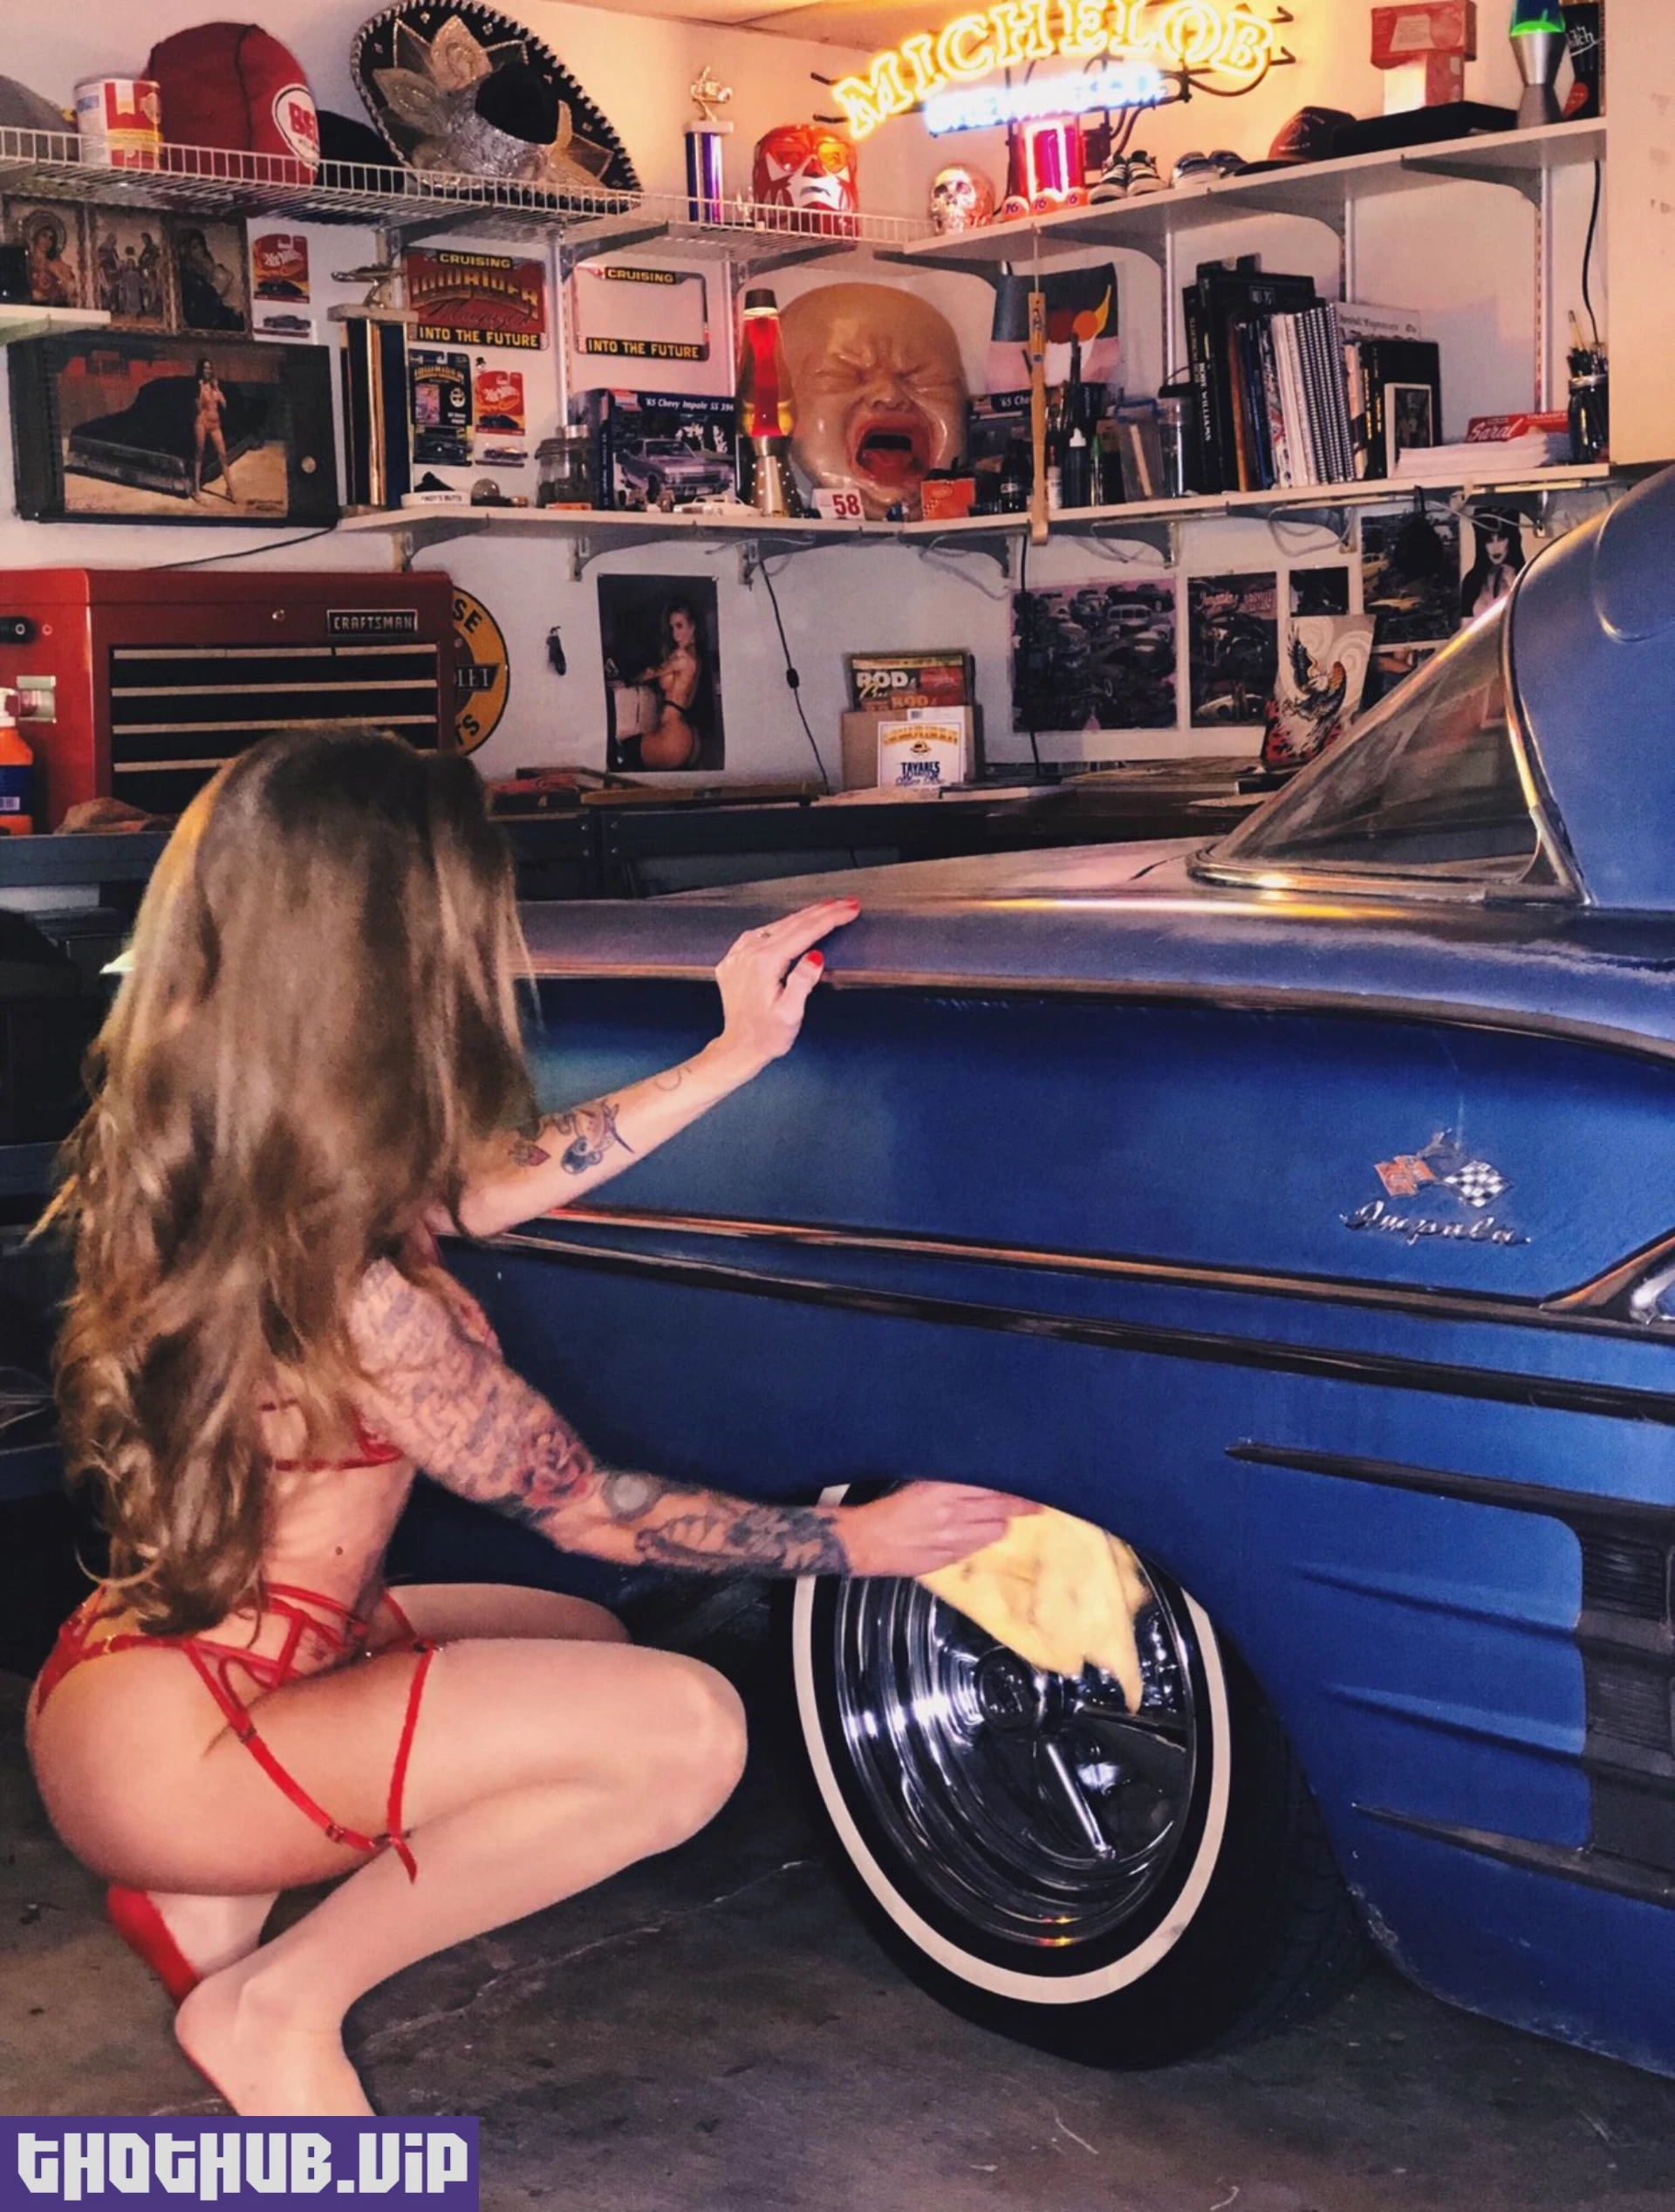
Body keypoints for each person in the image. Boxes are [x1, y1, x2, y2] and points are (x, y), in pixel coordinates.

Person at [24, 727, 1026, 2119]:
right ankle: (277, 2002)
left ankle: (208, 1901)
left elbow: (482, 1184)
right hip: (191, 1742)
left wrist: (733, 1051)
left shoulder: (228, 1156)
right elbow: (590, 1509)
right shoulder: (356, 1298)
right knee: (682, 1731)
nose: (491, 945)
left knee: (580, 1647)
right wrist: (855, 1541)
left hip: (153, 1665)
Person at [629, 595, 711, 770]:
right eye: (672, 627)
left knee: (622, 754)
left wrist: (627, 680)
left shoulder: (682, 656)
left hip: (673, 735)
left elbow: (651, 672)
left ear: (693, 626)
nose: (675, 634)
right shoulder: (697, 658)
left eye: (680, 626)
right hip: (686, 735)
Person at [1460, 509, 1525, 622]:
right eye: (1489, 540)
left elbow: (1528, 617)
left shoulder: (1523, 576)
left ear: (1511, 540)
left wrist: (1514, 584)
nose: (1495, 547)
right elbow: (1466, 624)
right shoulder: (1472, 580)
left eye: (1501, 539)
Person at [193, 358, 240, 507]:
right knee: (199, 454)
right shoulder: (198, 385)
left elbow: (224, 404)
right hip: (202, 422)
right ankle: (196, 490)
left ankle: (230, 488)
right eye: (205, 368)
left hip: (215, 424)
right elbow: (199, 408)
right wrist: (201, 389)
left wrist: (217, 388)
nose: (207, 370)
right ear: (201, 370)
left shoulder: (214, 386)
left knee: (223, 455)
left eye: (209, 368)